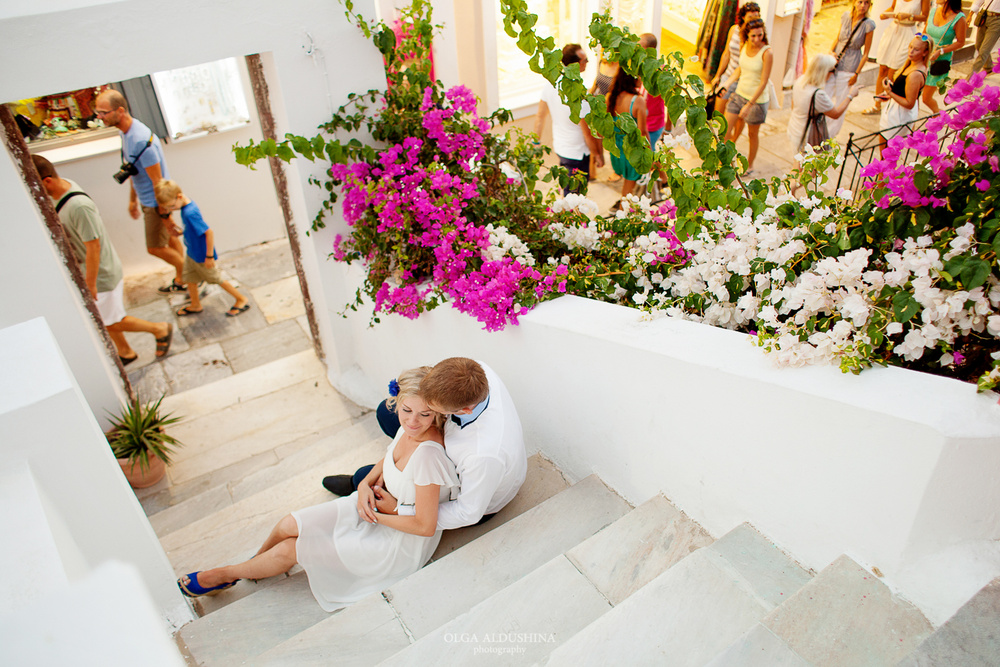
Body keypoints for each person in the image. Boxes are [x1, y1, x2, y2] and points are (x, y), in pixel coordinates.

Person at [177, 367, 460, 611]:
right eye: (406, 410)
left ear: (435, 411)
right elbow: (389, 456)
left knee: (291, 550)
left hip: (396, 540)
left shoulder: (428, 456)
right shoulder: (409, 426)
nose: (412, 421)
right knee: (290, 523)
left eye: (424, 414)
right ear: (397, 402)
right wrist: (363, 484)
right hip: (375, 507)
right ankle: (255, 564)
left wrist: (378, 514)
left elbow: (425, 526)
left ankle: (225, 575)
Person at [323, 358, 526, 529]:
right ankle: (376, 472)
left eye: (431, 409)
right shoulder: (476, 371)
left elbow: (468, 513)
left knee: (379, 481)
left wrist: (400, 510)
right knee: (388, 412)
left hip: (475, 495)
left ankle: (358, 481)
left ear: (463, 411)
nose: (421, 414)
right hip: (457, 446)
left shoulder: (482, 455)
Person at [32, 155, 173, 363]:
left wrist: (90, 284)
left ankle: (159, 329)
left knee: (108, 321)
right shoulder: (64, 188)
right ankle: (125, 351)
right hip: (93, 270)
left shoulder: (78, 207)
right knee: (107, 316)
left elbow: (93, 246)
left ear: (47, 181)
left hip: (100, 273)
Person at [94, 90, 187, 294]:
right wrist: (132, 200)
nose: (99, 117)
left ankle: (190, 276)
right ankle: (184, 278)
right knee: (171, 241)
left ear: (120, 110)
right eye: (97, 112)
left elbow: (158, 182)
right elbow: (133, 169)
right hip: (146, 199)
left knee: (155, 247)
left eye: (103, 112)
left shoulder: (139, 139)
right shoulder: (125, 132)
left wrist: (165, 216)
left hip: (155, 202)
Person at [154, 180, 250, 317]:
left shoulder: (190, 213)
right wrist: (182, 232)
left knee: (216, 279)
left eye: (172, 205)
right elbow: (194, 230)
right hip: (192, 253)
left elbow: (208, 232)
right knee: (190, 279)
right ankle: (195, 304)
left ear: (179, 196)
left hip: (201, 256)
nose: (171, 209)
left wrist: (209, 256)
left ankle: (241, 299)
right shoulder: (185, 207)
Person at [534, 44, 605, 195]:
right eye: (584, 60)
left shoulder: (550, 85)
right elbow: (587, 132)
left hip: (561, 147)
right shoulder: (579, 95)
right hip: (577, 153)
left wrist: (536, 141)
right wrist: (597, 154)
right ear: (574, 64)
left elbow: (540, 116)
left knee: (568, 188)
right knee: (575, 195)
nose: (587, 63)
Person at [721, 18, 773, 174]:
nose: (757, 39)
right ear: (747, 35)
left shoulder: (767, 53)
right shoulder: (744, 46)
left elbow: (764, 82)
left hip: (756, 100)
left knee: (752, 134)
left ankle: (750, 165)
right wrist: (727, 83)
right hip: (739, 94)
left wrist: (749, 104)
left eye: (760, 35)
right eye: (753, 36)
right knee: (725, 128)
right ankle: (723, 161)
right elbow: (739, 69)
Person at [866, 0, 930, 114]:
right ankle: (877, 105)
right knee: (883, 69)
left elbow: (925, 16)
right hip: (893, 30)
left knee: (894, 71)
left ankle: (889, 105)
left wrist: (909, 16)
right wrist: (885, 14)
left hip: (907, 31)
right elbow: (892, 7)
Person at [788, 54, 861, 151]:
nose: (833, 74)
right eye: (832, 70)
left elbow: (793, 105)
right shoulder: (818, 95)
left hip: (795, 127)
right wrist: (850, 96)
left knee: (798, 161)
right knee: (805, 164)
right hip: (807, 135)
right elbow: (836, 114)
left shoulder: (800, 81)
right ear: (824, 72)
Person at [826, 0, 876, 137]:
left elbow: (866, 53)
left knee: (841, 101)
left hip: (850, 65)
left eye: (866, 3)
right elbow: (837, 38)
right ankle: (820, 130)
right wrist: (830, 54)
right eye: (860, 2)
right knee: (826, 95)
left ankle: (830, 135)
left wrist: (856, 73)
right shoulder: (846, 16)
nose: (863, 6)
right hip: (835, 62)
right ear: (854, 2)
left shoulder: (868, 24)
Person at [878, 34, 933, 150]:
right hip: (894, 111)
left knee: (887, 152)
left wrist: (890, 93)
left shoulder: (915, 74)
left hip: (898, 116)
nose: (911, 51)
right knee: (884, 149)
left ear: (924, 52)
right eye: (910, 47)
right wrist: (890, 95)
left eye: (916, 49)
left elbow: (909, 103)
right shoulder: (911, 65)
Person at [710, 2, 761, 115]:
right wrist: (718, 75)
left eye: (756, 17)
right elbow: (726, 54)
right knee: (717, 114)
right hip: (728, 75)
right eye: (750, 17)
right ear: (743, 17)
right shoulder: (734, 30)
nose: (753, 20)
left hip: (744, 82)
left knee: (733, 116)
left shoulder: (754, 38)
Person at [606, 70, 650, 200]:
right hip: (631, 152)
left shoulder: (611, 97)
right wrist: (649, 154)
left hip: (617, 150)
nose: (641, 79)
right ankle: (621, 214)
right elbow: (642, 132)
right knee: (627, 193)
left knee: (627, 189)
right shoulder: (638, 101)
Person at [921, 0, 967, 113]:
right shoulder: (933, 11)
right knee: (915, 92)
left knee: (926, 98)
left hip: (939, 61)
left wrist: (941, 51)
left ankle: (938, 115)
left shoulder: (959, 18)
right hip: (924, 56)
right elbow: (924, 33)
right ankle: (911, 123)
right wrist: (918, 43)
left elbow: (961, 42)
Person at [639, 33, 668, 149]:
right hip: (640, 123)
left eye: (640, 47)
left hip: (653, 126)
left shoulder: (661, 71)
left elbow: (670, 101)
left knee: (649, 156)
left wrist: (669, 128)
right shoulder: (638, 66)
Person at [969, 0, 1000, 75]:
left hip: (997, 20)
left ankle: (969, 79)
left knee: (984, 51)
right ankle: (988, 66)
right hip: (985, 16)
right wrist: (970, 15)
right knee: (978, 45)